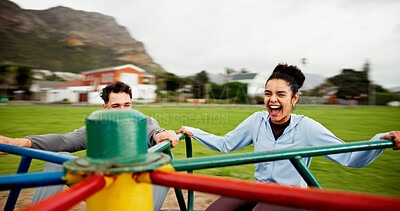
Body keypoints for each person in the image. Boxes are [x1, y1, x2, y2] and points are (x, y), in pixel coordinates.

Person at [178, 63, 400, 211]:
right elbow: (226, 144)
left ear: (294, 99)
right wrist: (194, 131)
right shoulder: (257, 120)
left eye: (280, 94)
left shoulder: (308, 128)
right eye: (268, 93)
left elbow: (350, 158)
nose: (272, 100)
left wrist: (382, 139)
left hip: (291, 197)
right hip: (260, 187)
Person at [0, 81, 179, 211]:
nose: (123, 111)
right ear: (105, 108)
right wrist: (16, 142)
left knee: (165, 164)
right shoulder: (99, 126)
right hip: (104, 186)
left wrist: (160, 134)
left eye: (127, 105)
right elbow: (65, 141)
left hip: (136, 192)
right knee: (58, 159)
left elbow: (152, 131)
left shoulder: (143, 121)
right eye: (116, 106)